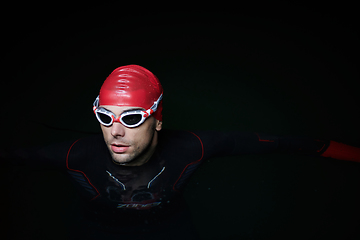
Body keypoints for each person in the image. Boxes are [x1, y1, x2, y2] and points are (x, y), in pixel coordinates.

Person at [3, 65, 360, 239]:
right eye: (104, 116)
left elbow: (282, 143)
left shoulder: (192, 148)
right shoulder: (73, 155)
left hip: (170, 225)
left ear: (157, 119)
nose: (115, 131)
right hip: (98, 228)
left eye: (130, 117)